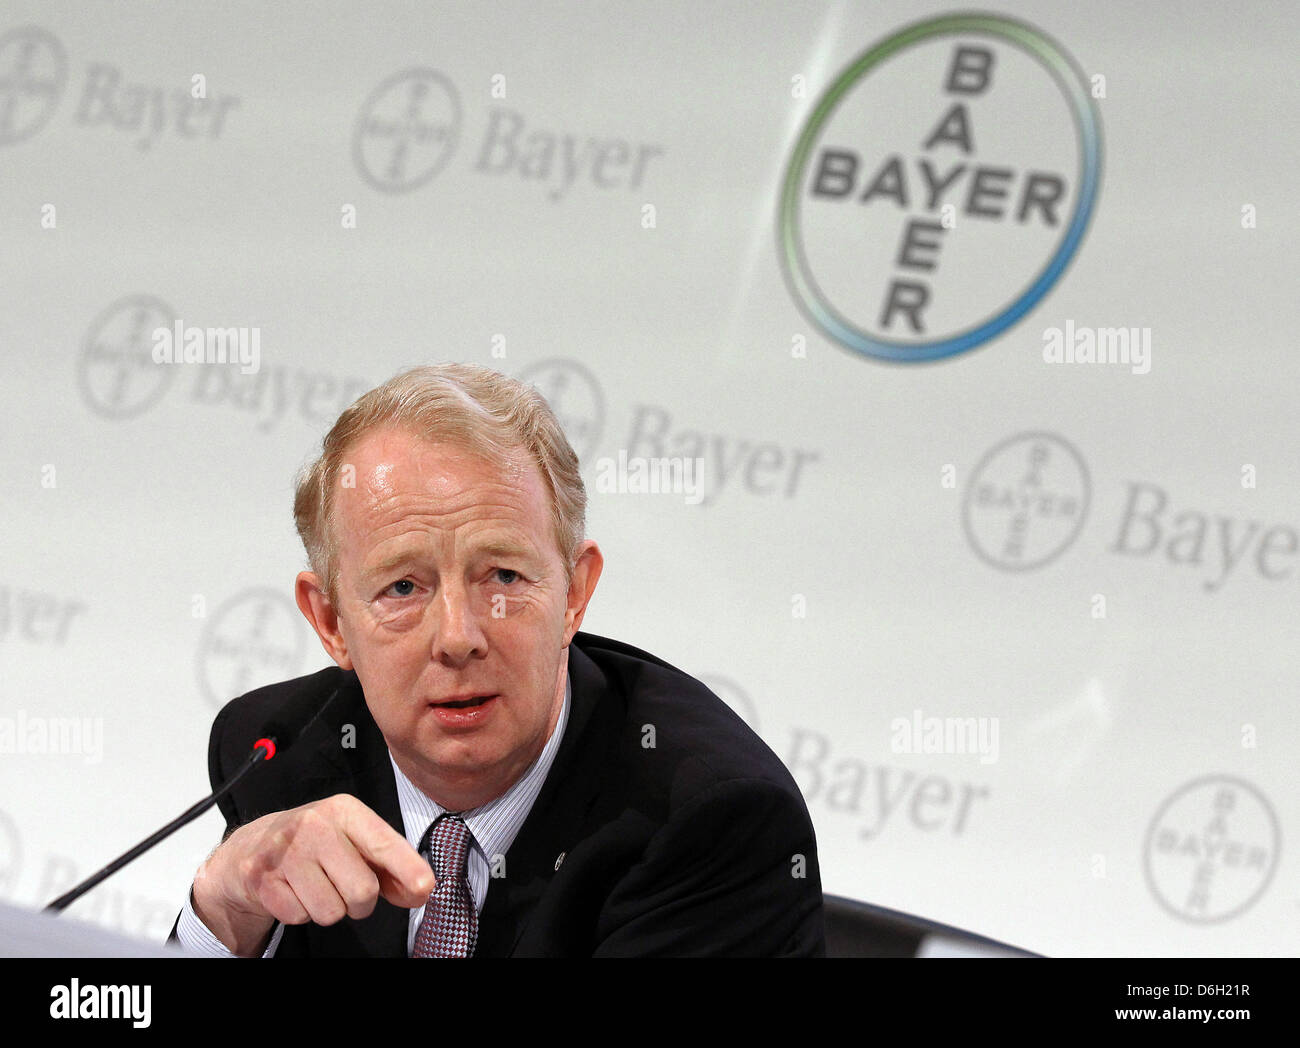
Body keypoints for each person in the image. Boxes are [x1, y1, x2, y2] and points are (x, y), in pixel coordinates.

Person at [170, 363, 825, 956]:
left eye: (504, 577)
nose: (458, 638)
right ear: (332, 622)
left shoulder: (711, 819)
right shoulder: (276, 753)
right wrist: (224, 904)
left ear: (574, 593)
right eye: (403, 587)